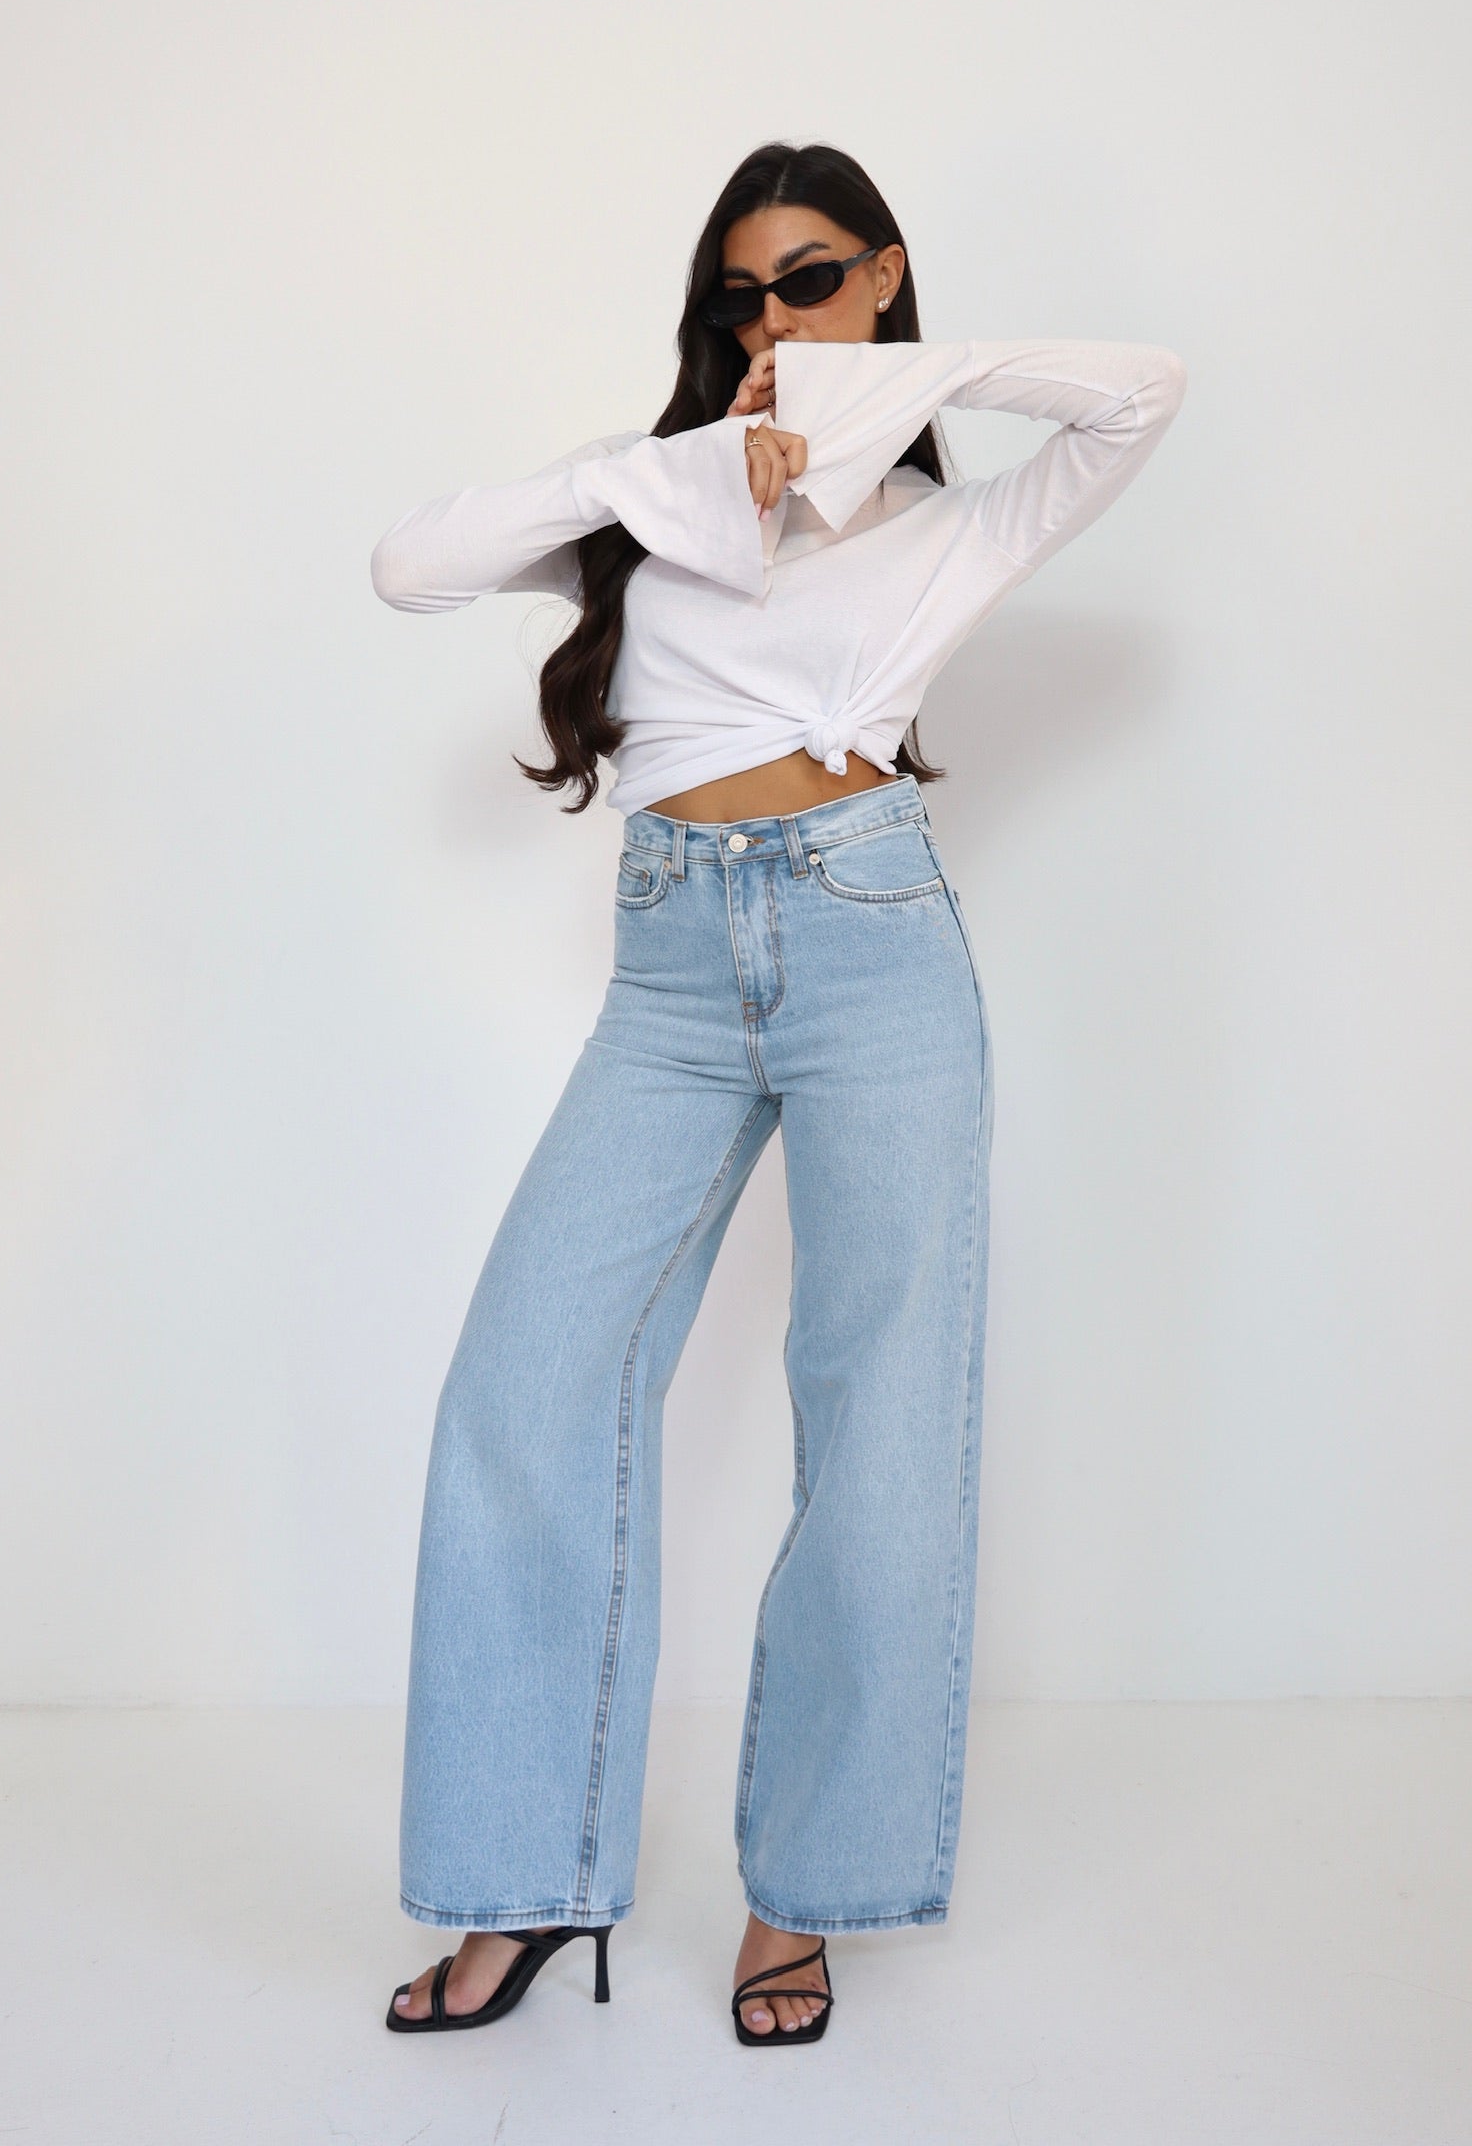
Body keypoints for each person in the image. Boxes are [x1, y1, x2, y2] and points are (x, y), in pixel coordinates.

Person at [369, 141, 1186, 2044]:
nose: (773, 322)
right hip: (670, 972)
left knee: (880, 1424)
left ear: (885, 276)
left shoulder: (942, 525)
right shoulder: (659, 498)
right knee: (524, 1386)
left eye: (813, 279)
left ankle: (805, 1891)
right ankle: (523, 1882)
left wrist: (877, 387)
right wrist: (657, 469)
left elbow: (1145, 387)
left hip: (871, 949)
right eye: (743, 295)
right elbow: (410, 565)